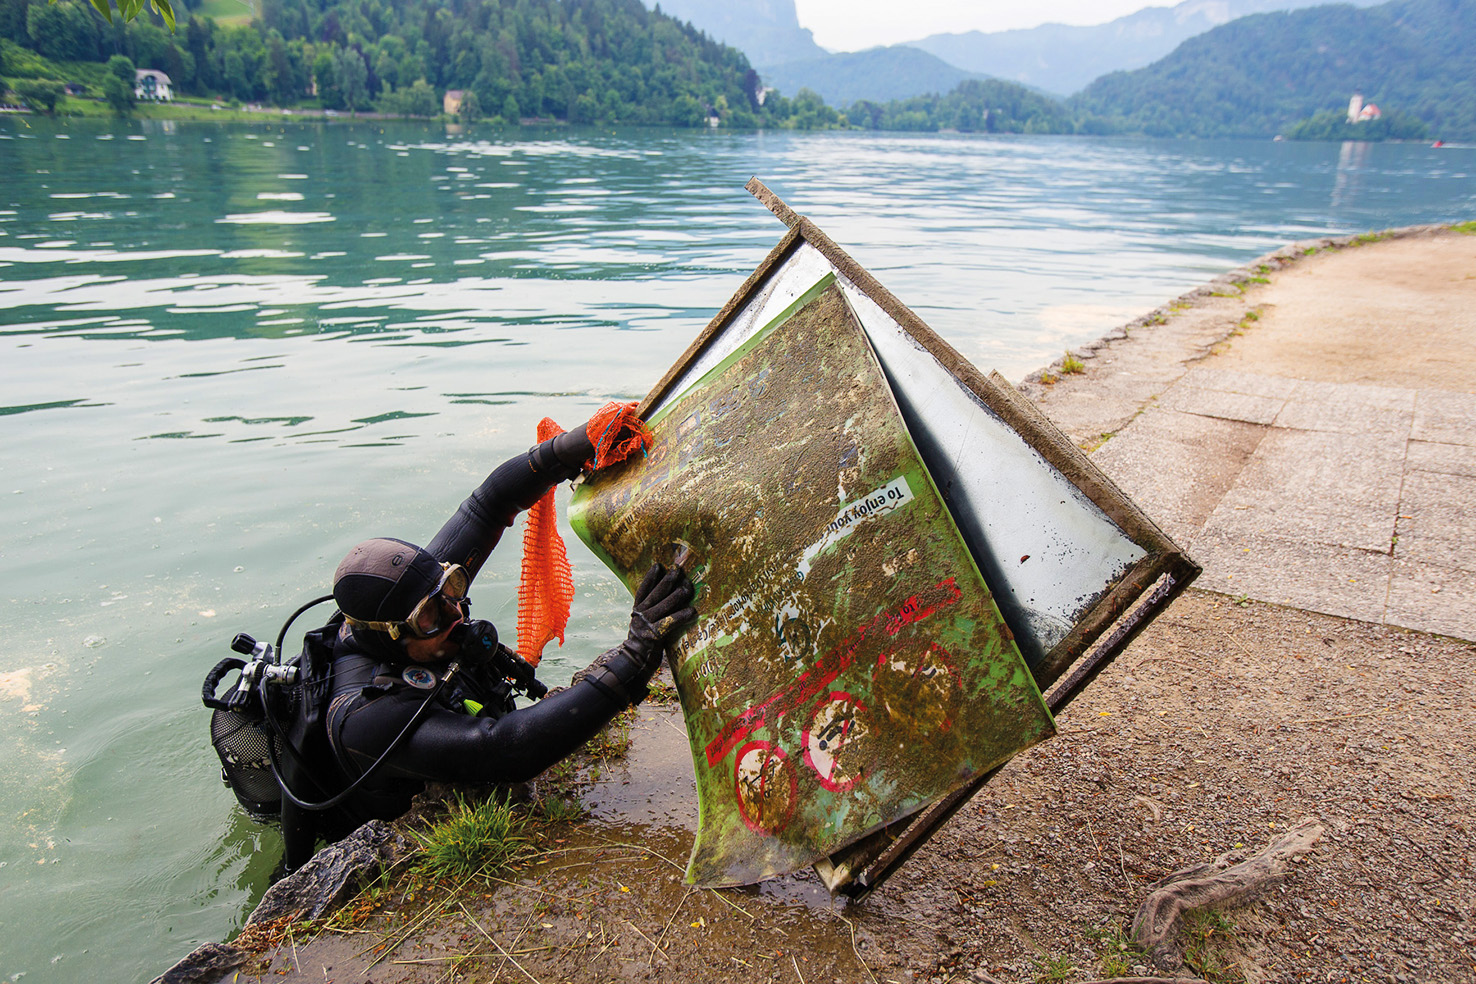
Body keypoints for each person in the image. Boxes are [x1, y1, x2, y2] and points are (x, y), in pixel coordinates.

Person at [276, 414, 695, 870]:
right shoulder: (366, 716)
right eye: (431, 616)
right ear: (390, 634)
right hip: (386, 825)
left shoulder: (421, 591)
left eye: (453, 587)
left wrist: (572, 447)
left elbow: (489, 504)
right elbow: (505, 750)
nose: (455, 613)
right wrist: (634, 656)